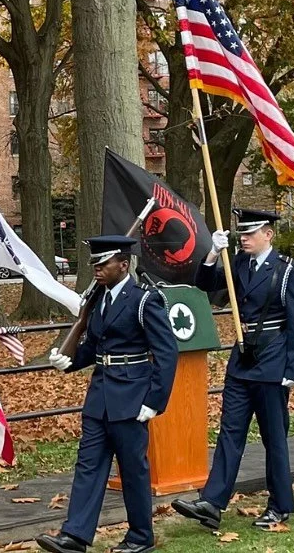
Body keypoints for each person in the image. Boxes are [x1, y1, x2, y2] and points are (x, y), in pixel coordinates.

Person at [36, 235, 178, 553]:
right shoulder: (98, 299)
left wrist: (155, 400)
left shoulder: (144, 300)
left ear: (123, 265)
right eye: (95, 264)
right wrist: (69, 361)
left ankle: (141, 537)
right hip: (100, 396)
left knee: (132, 470)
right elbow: (94, 348)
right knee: (89, 465)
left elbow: (167, 354)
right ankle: (75, 535)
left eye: (103, 264)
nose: (97, 270)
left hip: (131, 397)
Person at [172, 209, 294, 529]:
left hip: (273, 360)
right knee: (230, 433)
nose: (244, 239)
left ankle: (280, 505)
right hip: (241, 361)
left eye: (250, 234)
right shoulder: (238, 264)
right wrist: (211, 254)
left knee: (273, 438)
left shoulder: (289, 271)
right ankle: (212, 501)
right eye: (241, 235)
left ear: (268, 234)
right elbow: (206, 285)